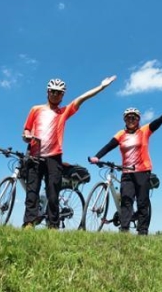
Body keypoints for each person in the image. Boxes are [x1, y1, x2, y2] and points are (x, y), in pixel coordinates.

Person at [22, 75, 117, 229]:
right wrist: (27, 137)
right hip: (35, 155)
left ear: (62, 95)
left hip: (54, 157)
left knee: (53, 193)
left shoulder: (64, 112)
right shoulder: (35, 109)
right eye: (53, 91)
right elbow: (26, 129)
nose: (55, 94)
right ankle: (28, 223)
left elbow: (82, 98)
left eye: (59, 92)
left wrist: (101, 87)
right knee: (32, 191)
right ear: (47, 92)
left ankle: (53, 226)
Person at [89, 101, 162, 235]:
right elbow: (109, 146)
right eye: (128, 118)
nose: (131, 120)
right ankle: (124, 231)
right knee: (126, 201)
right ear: (124, 120)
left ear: (138, 119)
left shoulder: (145, 131)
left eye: (134, 117)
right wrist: (97, 156)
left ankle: (142, 232)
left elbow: (161, 120)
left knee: (142, 202)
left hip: (143, 171)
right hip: (126, 172)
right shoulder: (121, 134)